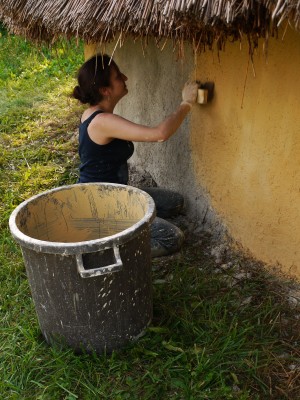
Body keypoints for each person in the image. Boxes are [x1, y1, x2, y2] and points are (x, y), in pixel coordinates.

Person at [72, 54, 198, 257]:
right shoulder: (102, 122)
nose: (125, 78)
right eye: (118, 77)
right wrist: (186, 103)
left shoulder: (94, 114)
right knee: (170, 237)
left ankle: (126, 228)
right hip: (102, 207)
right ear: (105, 90)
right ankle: (109, 248)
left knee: (174, 202)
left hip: (117, 195)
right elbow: (160, 134)